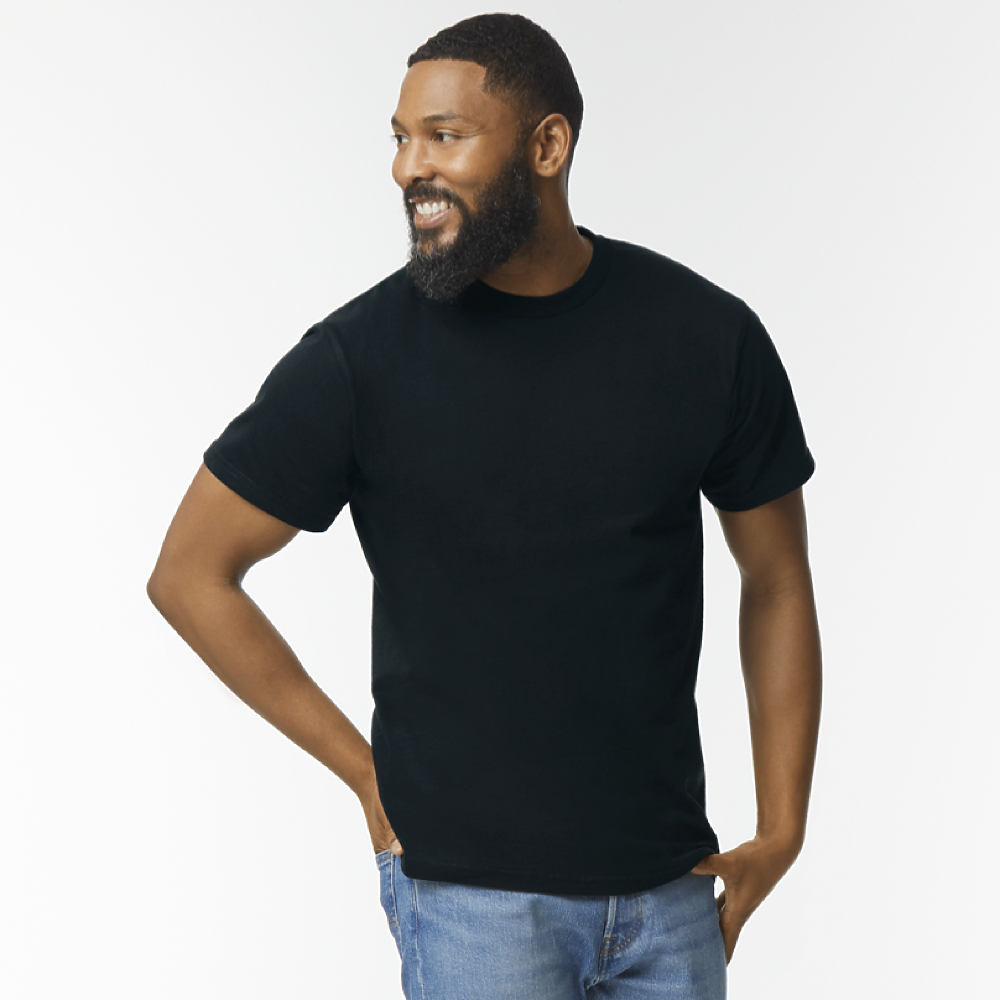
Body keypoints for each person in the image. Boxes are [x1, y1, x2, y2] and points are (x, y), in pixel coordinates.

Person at [147, 12, 821, 1000]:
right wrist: (365, 772)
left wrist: (783, 825)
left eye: (444, 136)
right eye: (399, 138)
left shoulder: (705, 336)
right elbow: (189, 575)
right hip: (470, 904)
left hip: (674, 889)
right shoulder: (359, 359)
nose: (407, 168)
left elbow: (776, 574)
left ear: (548, 146)